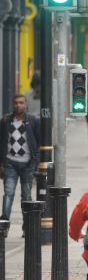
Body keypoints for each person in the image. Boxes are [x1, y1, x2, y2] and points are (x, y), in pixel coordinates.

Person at [0, 94, 40, 223]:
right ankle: (4, 223)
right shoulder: (5, 120)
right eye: (16, 103)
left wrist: (36, 161)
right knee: (8, 193)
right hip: (10, 163)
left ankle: (27, 226)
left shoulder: (33, 121)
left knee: (26, 196)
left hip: (28, 164)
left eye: (21, 103)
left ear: (26, 104)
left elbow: (38, 142)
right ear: (12, 104)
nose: (18, 105)